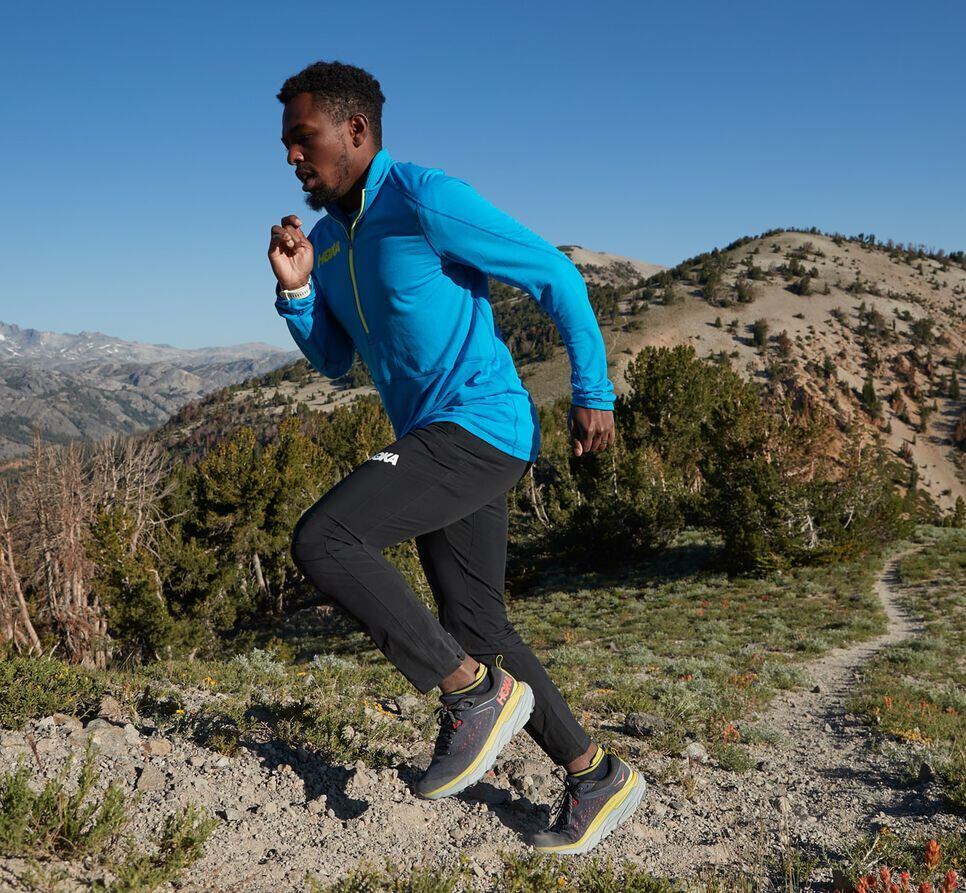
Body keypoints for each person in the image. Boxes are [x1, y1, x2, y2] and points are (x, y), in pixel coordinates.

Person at [268, 59, 646, 854]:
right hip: (434, 438)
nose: (293, 156)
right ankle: (595, 773)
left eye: (304, 138)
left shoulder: (424, 197)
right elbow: (336, 359)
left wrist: (593, 389)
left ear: (356, 130)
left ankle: (470, 695)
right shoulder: (329, 241)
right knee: (477, 624)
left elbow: (553, 273)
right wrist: (298, 292)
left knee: (326, 538)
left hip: (479, 423)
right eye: (287, 144)